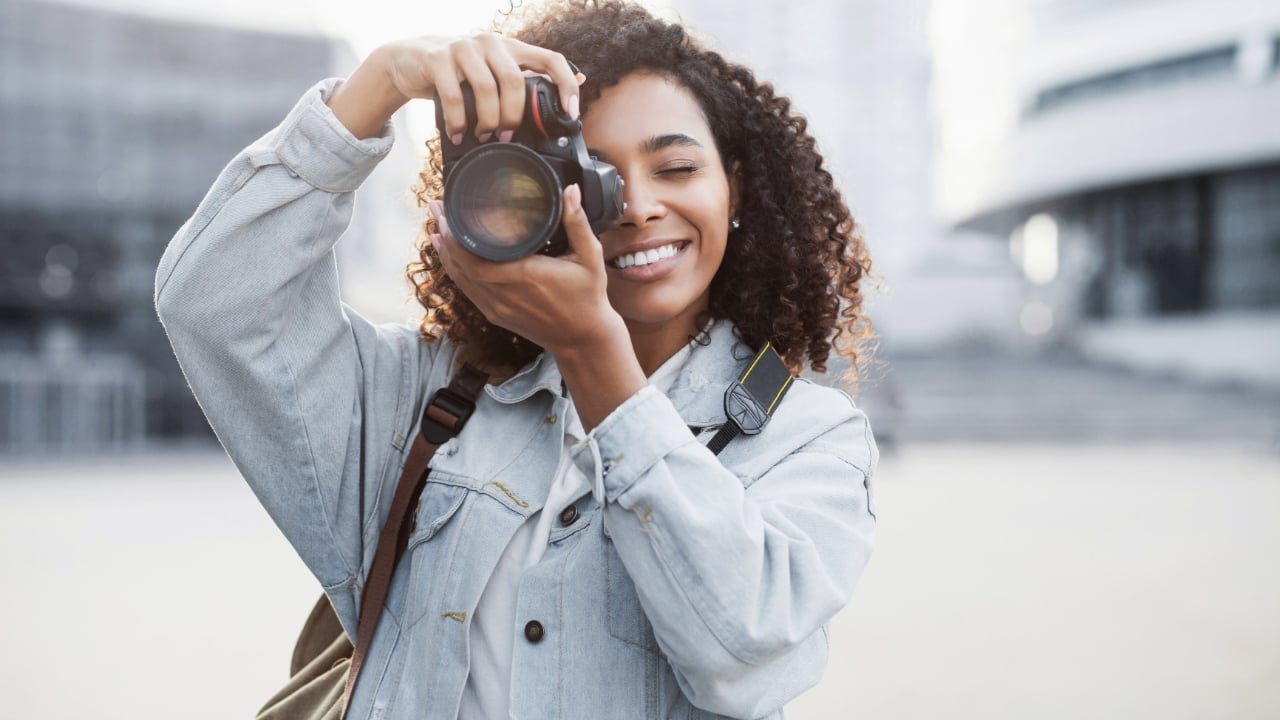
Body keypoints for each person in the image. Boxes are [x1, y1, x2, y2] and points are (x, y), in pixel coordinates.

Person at [155, 1, 878, 717]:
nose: (636, 207)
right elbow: (215, 302)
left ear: (736, 188)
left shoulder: (807, 439)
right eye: (591, 176)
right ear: (516, 198)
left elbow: (741, 657)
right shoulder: (426, 400)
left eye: (677, 167)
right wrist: (378, 84)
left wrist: (594, 354)